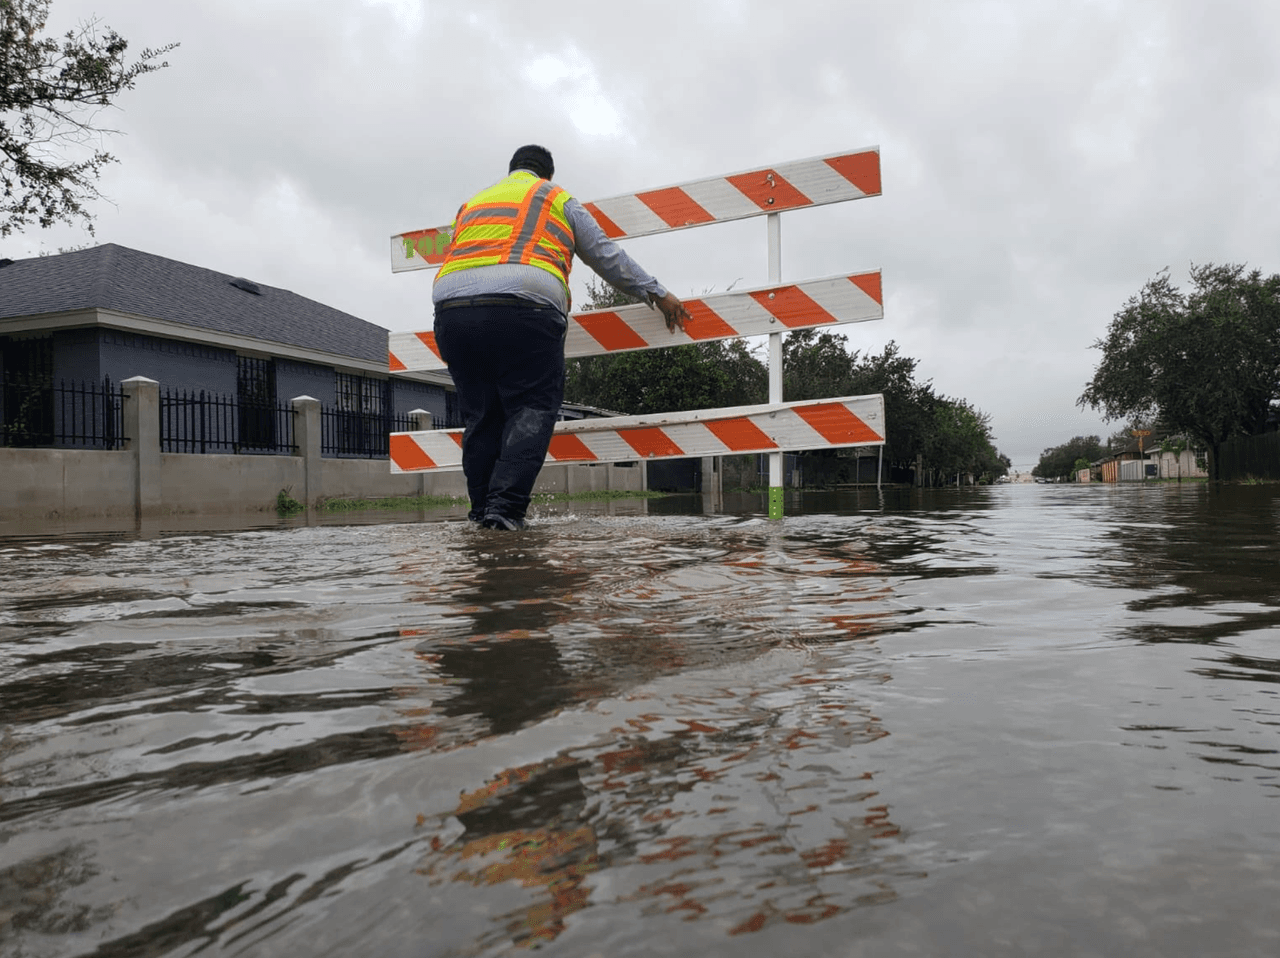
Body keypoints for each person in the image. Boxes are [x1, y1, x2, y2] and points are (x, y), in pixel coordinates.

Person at [432, 144, 690, 531]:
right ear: (547, 174)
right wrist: (656, 292)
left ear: (512, 171)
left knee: (481, 415)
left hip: (452, 310)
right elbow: (605, 255)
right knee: (532, 407)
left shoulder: (472, 204)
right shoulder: (557, 198)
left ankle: (480, 513)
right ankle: (504, 512)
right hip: (525, 307)